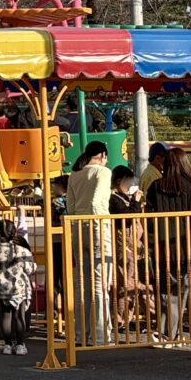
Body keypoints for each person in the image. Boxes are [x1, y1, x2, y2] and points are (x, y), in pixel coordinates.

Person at [145, 148, 191, 342]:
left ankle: (168, 332)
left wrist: (151, 244)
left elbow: (149, 220)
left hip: (166, 248)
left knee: (169, 290)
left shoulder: (156, 187)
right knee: (187, 288)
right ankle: (185, 332)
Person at [67, 141, 113, 347]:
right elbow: (96, 201)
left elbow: (70, 205)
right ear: (103, 154)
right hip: (97, 226)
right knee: (99, 283)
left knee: (81, 282)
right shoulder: (103, 172)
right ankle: (100, 335)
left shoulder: (74, 175)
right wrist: (98, 220)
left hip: (77, 227)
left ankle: (80, 335)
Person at [109, 165, 152, 333]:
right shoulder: (113, 198)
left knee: (139, 281)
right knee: (125, 281)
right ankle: (120, 318)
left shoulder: (124, 197)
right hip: (124, 245)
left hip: (137, 244)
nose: (131, 184)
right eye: (128, 181)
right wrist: (135, 200)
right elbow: (126, 217)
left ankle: (132, 315)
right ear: (119, 181)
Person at [0, 221, 36, 355]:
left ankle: (7, 345)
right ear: (13, 233)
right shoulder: (22, 251)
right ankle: (20, 345)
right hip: (18, 288)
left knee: (5, 316)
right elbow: (31, 268)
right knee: (19, 317)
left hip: (1, 289)